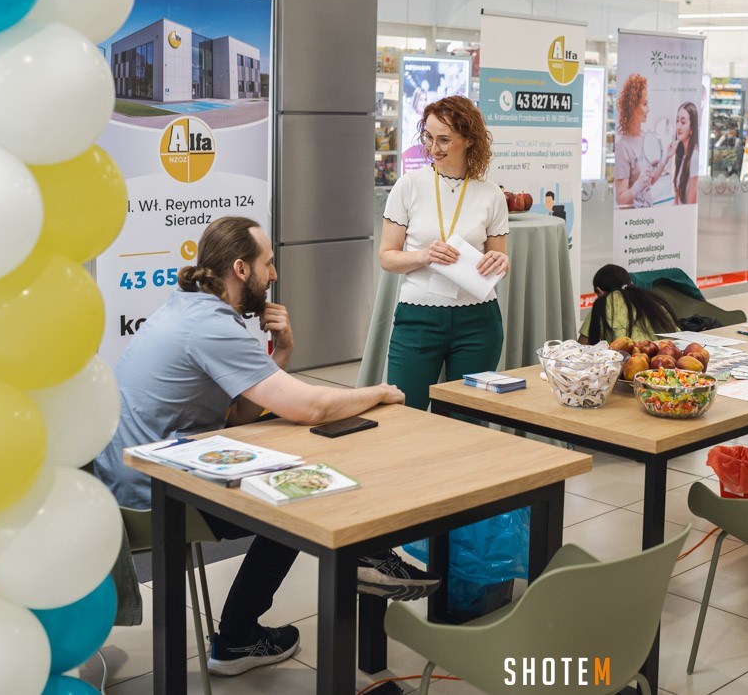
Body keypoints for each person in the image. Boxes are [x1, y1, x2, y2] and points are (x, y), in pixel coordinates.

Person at [93, 216, 438, 678]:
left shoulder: (190, 307)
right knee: (296, 495)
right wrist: (378, 391)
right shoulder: (210, 325)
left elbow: (239, 417)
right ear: (241, 269)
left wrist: (281, 354)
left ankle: (360, 559)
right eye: (268, 263)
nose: (274, 274)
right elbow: (309, 407)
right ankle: (260, 623)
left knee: (296, 469)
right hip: (153, 494)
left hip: (138, 475)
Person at [380, 95, 510, 410]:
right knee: (404, 414)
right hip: (418, 318)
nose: (433, 148)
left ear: (469, 140)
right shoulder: (409, 186)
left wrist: (502, 262)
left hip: (478, 321)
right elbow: (387, 257)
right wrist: (424, 255)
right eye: (428, 137)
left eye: (444, 140)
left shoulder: (491, 194)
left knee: (467, 420)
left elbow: (501, 261)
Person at [577, 264, 679, 345]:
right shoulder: (650, 298)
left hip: (632, 360)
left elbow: (582, 346)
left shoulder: (603, 302)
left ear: (599, 291)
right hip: (669, 354)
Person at [614, 73, 657, 208]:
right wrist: (638, 185)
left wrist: (666, 158)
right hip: (633, 218)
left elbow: (649, 182)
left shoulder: (646, 138)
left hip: (649, 214)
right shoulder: (623, 147)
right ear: (633, 107)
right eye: (644, 104)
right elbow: (621, 199)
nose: (648, 109)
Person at [670, 101, 699, 205]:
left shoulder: (694, 157)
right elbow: (676, 200)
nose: (678, 126)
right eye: (677, 121)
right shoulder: (681, 156)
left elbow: (691, 204)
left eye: (683, 122)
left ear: (691, 128)